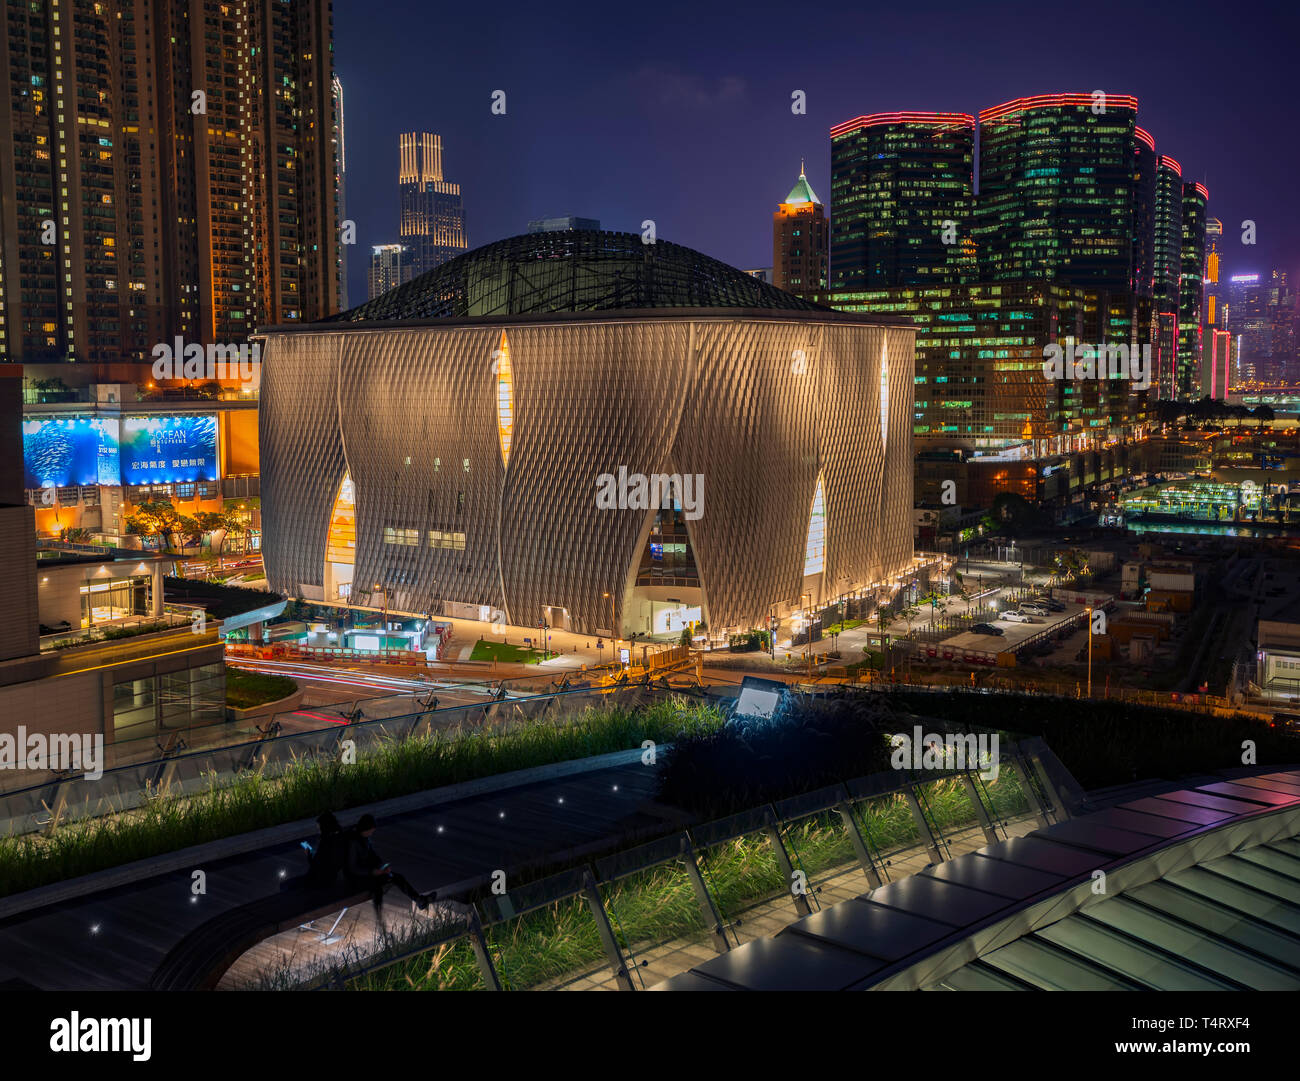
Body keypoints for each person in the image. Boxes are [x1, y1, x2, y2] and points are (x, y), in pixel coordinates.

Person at [342, 813, 432, 914]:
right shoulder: (353, 842)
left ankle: (420, 900)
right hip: (359, 877)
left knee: (396, 877)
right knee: (395, 878)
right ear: (365, 829)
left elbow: (372, 855)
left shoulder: (364, 839)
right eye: (370, 831)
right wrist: (372, 872)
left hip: (369, 872)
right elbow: (353, 868)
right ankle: (419, 900)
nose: (371, 834)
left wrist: (381, 865)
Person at [281, 811, 344, 892]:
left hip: (321, 879)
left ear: (325, 827)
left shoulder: (326, 842)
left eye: (319, 829)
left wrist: (308, 854)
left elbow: (316, 865)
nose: (319, 831)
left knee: (285, 885)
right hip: (331, 876)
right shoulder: (339, 836)